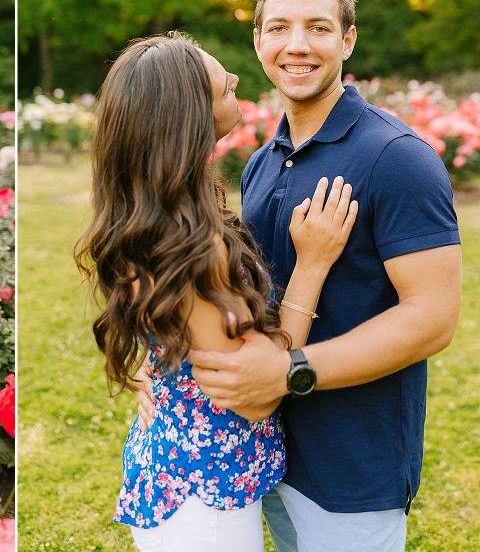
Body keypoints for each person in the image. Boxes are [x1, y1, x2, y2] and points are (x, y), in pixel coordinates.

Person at [184, 0, 462, 552]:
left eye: (318, 27)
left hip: (353, 465)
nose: (298, 45)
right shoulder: (262, 162)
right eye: (279, 27)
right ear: (258, 41)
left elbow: (433, 317)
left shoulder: (397, 158)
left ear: (348, 40)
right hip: (269, 452)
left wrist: (292, 371)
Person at [75, 33, 359, 551]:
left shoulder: (154, 213)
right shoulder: (192, 248)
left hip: (188, 472)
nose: (235, 79)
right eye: (222, 86)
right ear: (187, 121)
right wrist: (312, 266)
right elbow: (255, 396)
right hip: (202, 503)